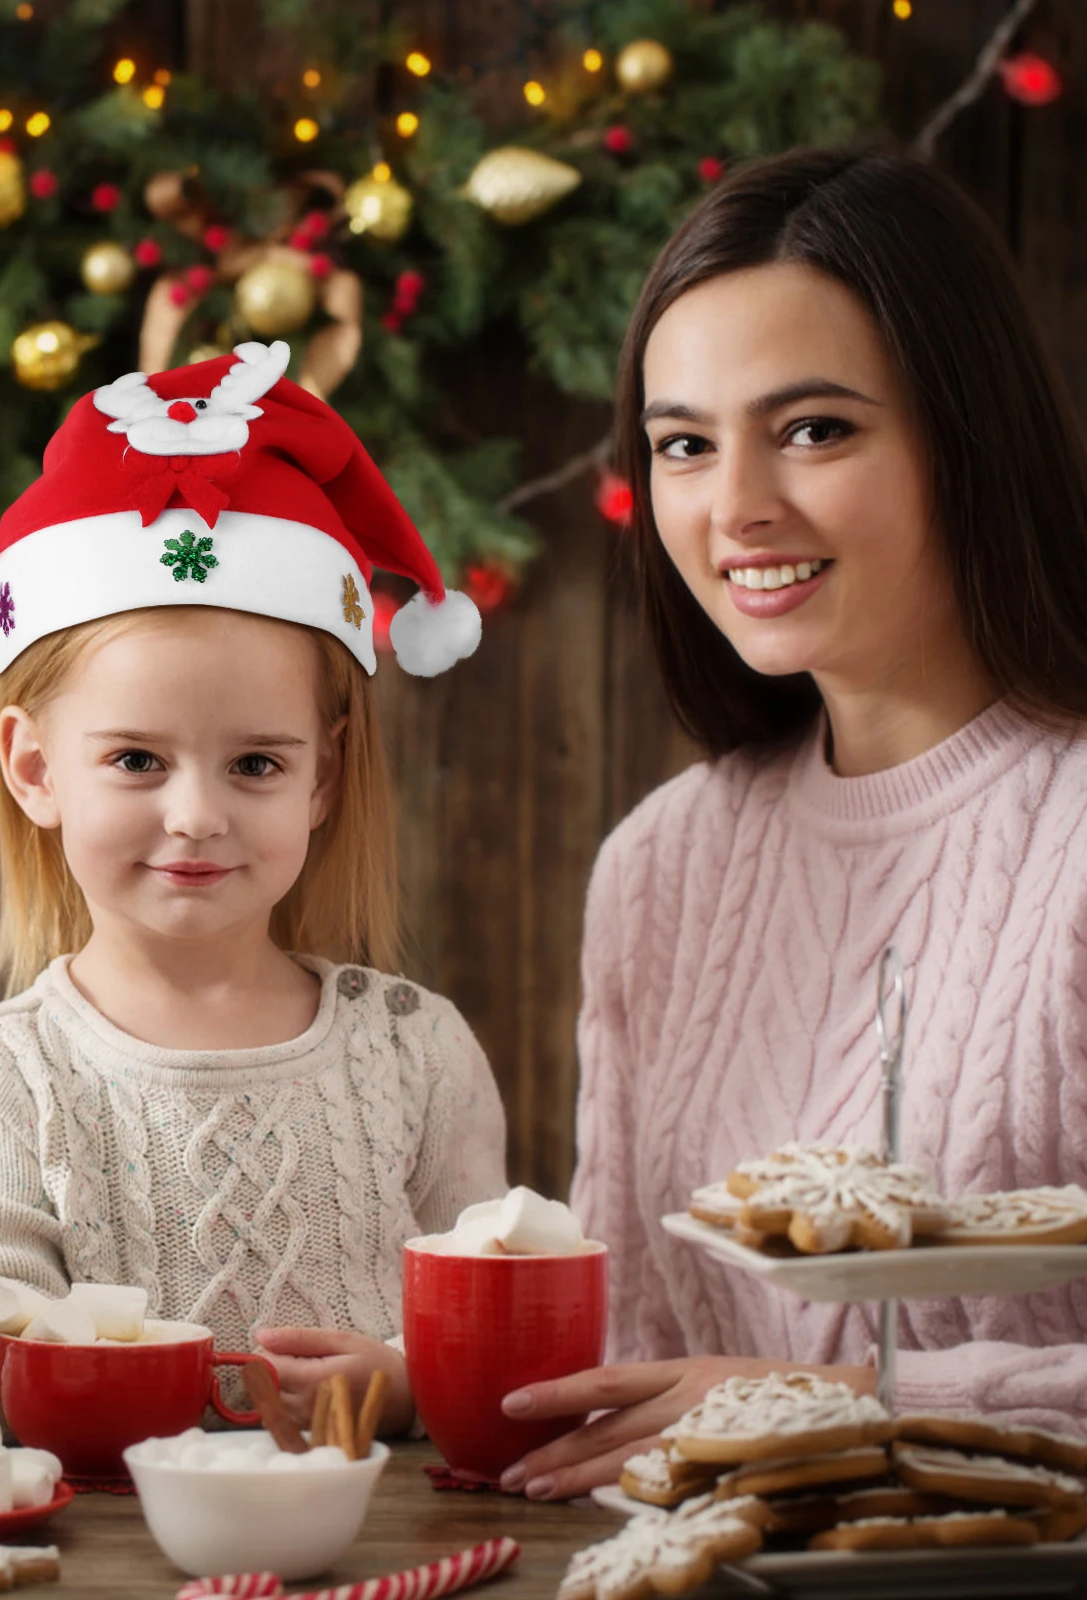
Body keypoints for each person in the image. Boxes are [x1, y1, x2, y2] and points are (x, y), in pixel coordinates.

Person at [0, 339, 507, 1435]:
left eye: (256, 764)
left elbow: (494, 1332)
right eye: (137, 760)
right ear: (35, 769)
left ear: (321, 777)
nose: (196, 813)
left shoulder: (418, 1050)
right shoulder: (2, 1073)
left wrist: (409, 1380)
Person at [500, 147, 1087, 1500]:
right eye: (684, 445)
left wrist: (824, 1403)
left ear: (966, 432)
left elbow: (734, 1399)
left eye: (815, 428)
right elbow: (636, 1360)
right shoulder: (663, 867)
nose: (736, 506)